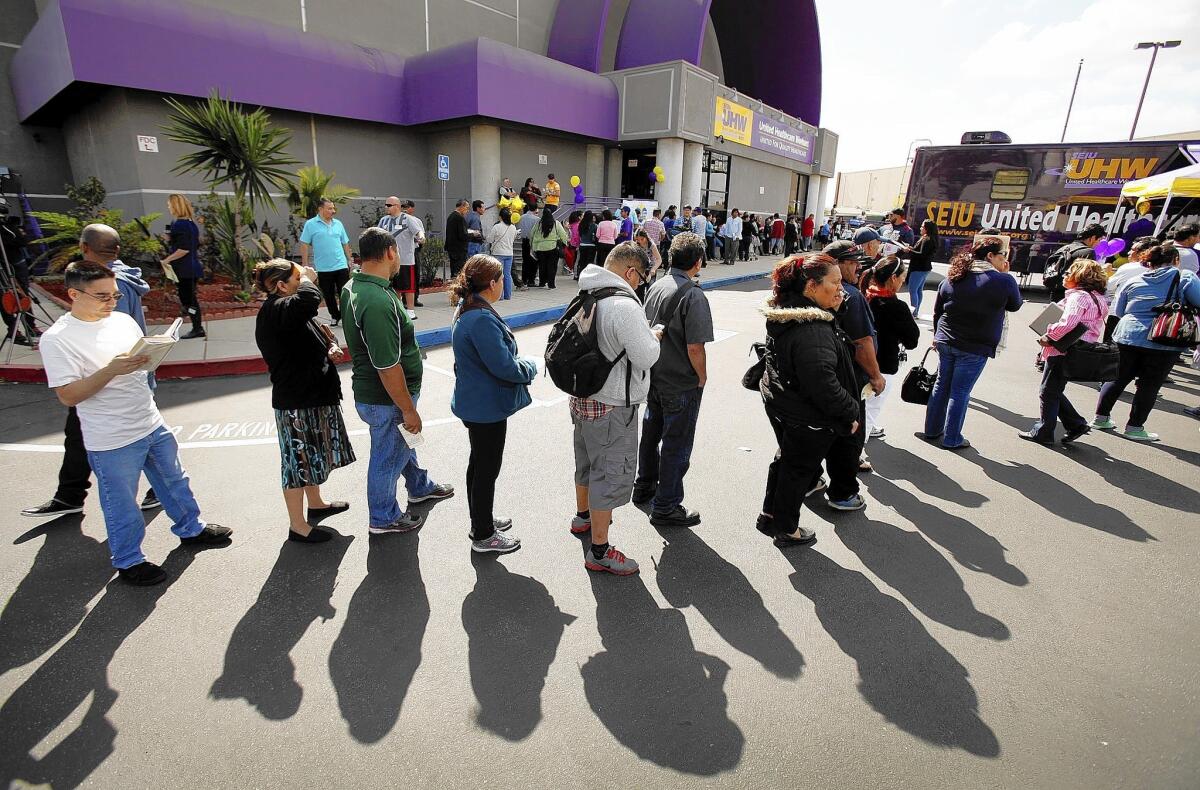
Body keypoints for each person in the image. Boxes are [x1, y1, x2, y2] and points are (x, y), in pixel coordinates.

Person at [39, 261, 232, 585]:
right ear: (73, 293)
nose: (111, 302)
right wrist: (112, 369)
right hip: (111, 438)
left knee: (175, 481)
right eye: (102, 296)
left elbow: (138, 367)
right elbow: (69, 395)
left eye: (115, 295)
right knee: (121, 504)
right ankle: (129, 561)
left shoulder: (122, 320)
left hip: (149, 420)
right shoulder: (58, 339)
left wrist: (151, 354)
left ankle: (191, 529)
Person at [21, 224, 161, 519]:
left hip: (109, 379)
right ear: (118, 250)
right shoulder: (123, 279)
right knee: (86, 435)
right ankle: (71, 494)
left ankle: (84, 498)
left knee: (125, 442)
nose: (109, 302)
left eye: (112, 298)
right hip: (121, 375)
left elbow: (104, 333)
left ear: (84, 247)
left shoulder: (106, 286)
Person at [341, 227, 454, 534]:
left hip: (380, 396)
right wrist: (407, 408)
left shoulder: (357, 286)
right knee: (387, 456)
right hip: (386, 399)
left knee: (402, 443)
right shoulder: (376, 299)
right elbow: (387, 365)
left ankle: (419, 485)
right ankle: (383, 517)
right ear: (390, 252)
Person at [758, 253, 863, 545]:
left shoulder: (797, 314)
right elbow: (823, 384)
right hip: (807, 416)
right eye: (835, 282)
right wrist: (850, 411)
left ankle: (771, 515)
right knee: (797, 471)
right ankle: (787, 529)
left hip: (786, 406)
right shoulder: (812, 330)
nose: (841, 289)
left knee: (786, 462)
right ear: (811, 286)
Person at [570, 242, 661, 575]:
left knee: (586, 463)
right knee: (608, 475)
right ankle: (600, 551)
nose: (640, 285)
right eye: (641, 278)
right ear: (630, 272)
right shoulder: (623, 305)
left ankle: (582, 518)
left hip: (583, 399)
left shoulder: (586, 293)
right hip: (611, 406)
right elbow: (646, 356)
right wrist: (654, 336)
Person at [253, 259, 355, 542]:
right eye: (297, 279)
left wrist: (331, 346)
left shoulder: (289, 309)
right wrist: (310, 278)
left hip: (312, 395)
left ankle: (316, 504)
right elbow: (311, 299)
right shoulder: (276, 309)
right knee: (297, 462)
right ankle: (297, 525)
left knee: (311, 456)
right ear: (281, 286)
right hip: (296, 402)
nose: (304, 281)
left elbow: (316, 330)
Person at [448, 255, 539, 554]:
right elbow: (504, 367)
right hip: (484, 407)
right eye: (503, 279)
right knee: (487, 469)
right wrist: (531, 366)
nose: (505, 283)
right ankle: (484, 534)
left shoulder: (469, 307)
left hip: (476, 402)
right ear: (492, 283)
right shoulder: (481, 318)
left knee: (479, 465)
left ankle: (482, 519)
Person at [633, 232, 712, 527]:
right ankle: (666, 505)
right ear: (698, 262)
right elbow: (695, 347)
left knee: (651, 434)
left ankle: (644, 486)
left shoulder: (656, 286)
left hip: (654, 374)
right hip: (680, 381)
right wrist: (702, 377)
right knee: (676, 443)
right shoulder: (693, 294)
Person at [923, 235, 1023, 449]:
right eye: (1002, 255)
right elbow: (1015, 305)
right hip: (974, 346)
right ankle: (952, 438)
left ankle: (931, 430)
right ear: (990, 256)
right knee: (960, 391)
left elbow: (938, 310)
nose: (1004, 260)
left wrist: (936, 336)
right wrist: (1005, 276)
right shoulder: (1003, 281)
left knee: (942, 386)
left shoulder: (955, 276)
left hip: (946, 340)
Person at [1094, 243, 1200, 441]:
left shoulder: (1134, 279)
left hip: (1128, 333)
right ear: (1176, 260)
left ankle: (1100, 418)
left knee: (1116, 378)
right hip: (1163, 338)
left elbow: (1121, 309)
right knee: (1149, 385)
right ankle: (1134, 427)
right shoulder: (1185, 277)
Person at [1019, 260, 1108, 445]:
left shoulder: (1079, 297)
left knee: (1048, 391)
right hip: (1078, 350)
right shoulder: (1097, 298)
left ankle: (1044, 432)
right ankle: (1075, 424)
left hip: (1064, 349)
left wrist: (1049, 336)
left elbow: (1069, 323)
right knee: (1053, 390)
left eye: (1069, 273)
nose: (1065, 276)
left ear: (1079, 276)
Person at [825, 237, 885, 473]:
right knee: (850, 431)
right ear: (836, 264)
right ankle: (844, 490)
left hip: (825, 375)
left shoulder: (813, 289)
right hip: (848, 377)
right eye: (852, 262)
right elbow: (862, 343)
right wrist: (876, 375)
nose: (858, 267)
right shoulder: (851, 295)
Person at [863, 257, 919, 439]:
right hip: (883, 365)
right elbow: (912, 341)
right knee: (870, 409)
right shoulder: (896, 307)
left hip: (860, 361)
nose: (903, 282)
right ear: (893, 278)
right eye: (902, 278)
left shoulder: (864, 296)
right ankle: (855, 455)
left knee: (863, 406)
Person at [299, 197, 352, 326]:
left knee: (344, 293)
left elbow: (345, 243)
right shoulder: (310, 224)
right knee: (328, 295)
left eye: (333, 208)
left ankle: (345, 316)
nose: (333, 211)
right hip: (323, 268)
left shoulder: (338, 224)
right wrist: (305, 263)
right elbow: (304, 244)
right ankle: (335, 315)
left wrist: (349, 259)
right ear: (320, 209)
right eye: (330, 208)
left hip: (341, 265)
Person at [159, 194, 205, 338]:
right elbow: (194, 243)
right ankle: (195, 323)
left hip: (185, 268)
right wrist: (169, 238)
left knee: (189, 301)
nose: (168, 207)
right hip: (192, 267)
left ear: (175, 206)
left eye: (169, 205)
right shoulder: (190, 224)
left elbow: (184, 249)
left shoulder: (180, 224)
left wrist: (167, 260)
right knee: (188, 299)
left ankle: (197, 327)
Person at [378, 196, 424, 320]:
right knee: (395, 287)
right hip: (389, 261)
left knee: (408, 287)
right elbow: (378, 235)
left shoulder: (407, 219)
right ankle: (398, 308)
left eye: (389, 205)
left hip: (405, 259)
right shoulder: (383, 221)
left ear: (397, 206)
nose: (386, 207)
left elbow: (418, 232)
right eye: (386, 205)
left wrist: (421, 237)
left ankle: (410, 310)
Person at [1103, 236, 1155, 340]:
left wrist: (1106, 273)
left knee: (1109, 347)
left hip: (1119, 314)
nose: (1128, 253)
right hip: (1147, 317)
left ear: (1143, 253)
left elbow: (1108, 286)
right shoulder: (1159, 269)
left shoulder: (1129, 267)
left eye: (1133, 250)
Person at [1045, 223, 1103, 302]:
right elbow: (1087, 279)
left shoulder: (1064, 248)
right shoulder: (1088, 252)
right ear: (1092, 238)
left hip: (1055, 292)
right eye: (1099, 240)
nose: (1098, 243)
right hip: (1073, 296)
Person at [531, 206, 570, 290]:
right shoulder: (556, 223)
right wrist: (565, 243)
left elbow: (532, 234)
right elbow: (563, 234)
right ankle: (551, 284)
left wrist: (532, 246)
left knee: (542, 266)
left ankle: (542, 282)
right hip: (552, 247)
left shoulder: (538, 223)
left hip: (540, 248)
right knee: (552, 266)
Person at [906, 219, 939, 317]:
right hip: (924, 268)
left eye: (922, 227)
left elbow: (921, 254)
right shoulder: (929, 238)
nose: (920, 228)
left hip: (919, 267)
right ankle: (916, 311)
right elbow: (920, 251)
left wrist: (909, 251)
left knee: (913, 290)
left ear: (927, 228)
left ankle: (913, 312)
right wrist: (911, 248)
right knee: (918, 290)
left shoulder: (927, 239)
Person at [485, 207, 518, 299]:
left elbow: (490, 239)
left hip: (498, 253)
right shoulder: (513, 227)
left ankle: (500, 296)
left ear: (500, 217)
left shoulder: (497, 227)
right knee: (507, 274)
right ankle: (508, 295)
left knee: (499, 275)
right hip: (509, 253)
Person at [445, 199, 470, 278]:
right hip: (459, 250)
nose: (467, 210)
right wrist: (473, 234)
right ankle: (458, 288)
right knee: (459, 272)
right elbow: (463, 235)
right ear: (462, 206)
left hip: (452, 249)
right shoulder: (460, 218)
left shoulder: (451, 216)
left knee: (454, 271)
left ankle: (454, 287)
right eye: (467, 208)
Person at [517, 207, 540, 289]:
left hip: (524, 241)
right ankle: (531, 280)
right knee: (533, 261)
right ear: (535, 210)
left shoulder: (521, 217)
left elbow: (518, 229)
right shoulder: (537, 219)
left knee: (525, 261)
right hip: (533, 242)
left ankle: (524, 279)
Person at [576, 210, 598, 279]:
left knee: (582, 261)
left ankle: (580, 275)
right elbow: (596, 236)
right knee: (590, 262)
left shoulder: (581, 224)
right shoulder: (594, 225)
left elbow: (579, 234)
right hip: (591, 246)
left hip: (582, 245)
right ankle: (588, 276)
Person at [565, 210, 582, 276]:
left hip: (570, 244)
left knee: (572, 257)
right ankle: (571, 269)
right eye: (582, 215)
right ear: (578, 217)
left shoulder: (571, 225)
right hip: (574, 244)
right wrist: (577, 245)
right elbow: (576, 236)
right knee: (574, 258)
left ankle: (570, 269)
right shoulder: (577, 225)